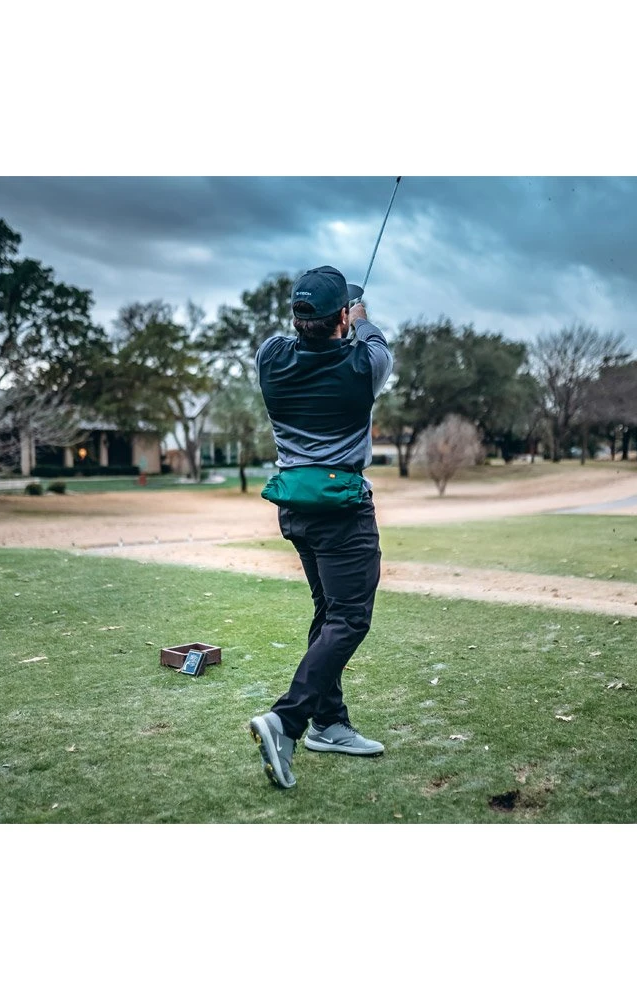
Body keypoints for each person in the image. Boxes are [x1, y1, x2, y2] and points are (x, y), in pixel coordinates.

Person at [248, 265, 394, 789]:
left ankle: (328, 724)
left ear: (296, 317)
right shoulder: (366, 364)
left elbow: (302, 340)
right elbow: (374, 339)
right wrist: (359, 316)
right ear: (342, 319)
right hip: (343, 513)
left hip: (296, 510)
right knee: (349, 618)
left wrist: (333, 321)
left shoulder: (269, 358)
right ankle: (287, 720)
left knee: (329, 612)